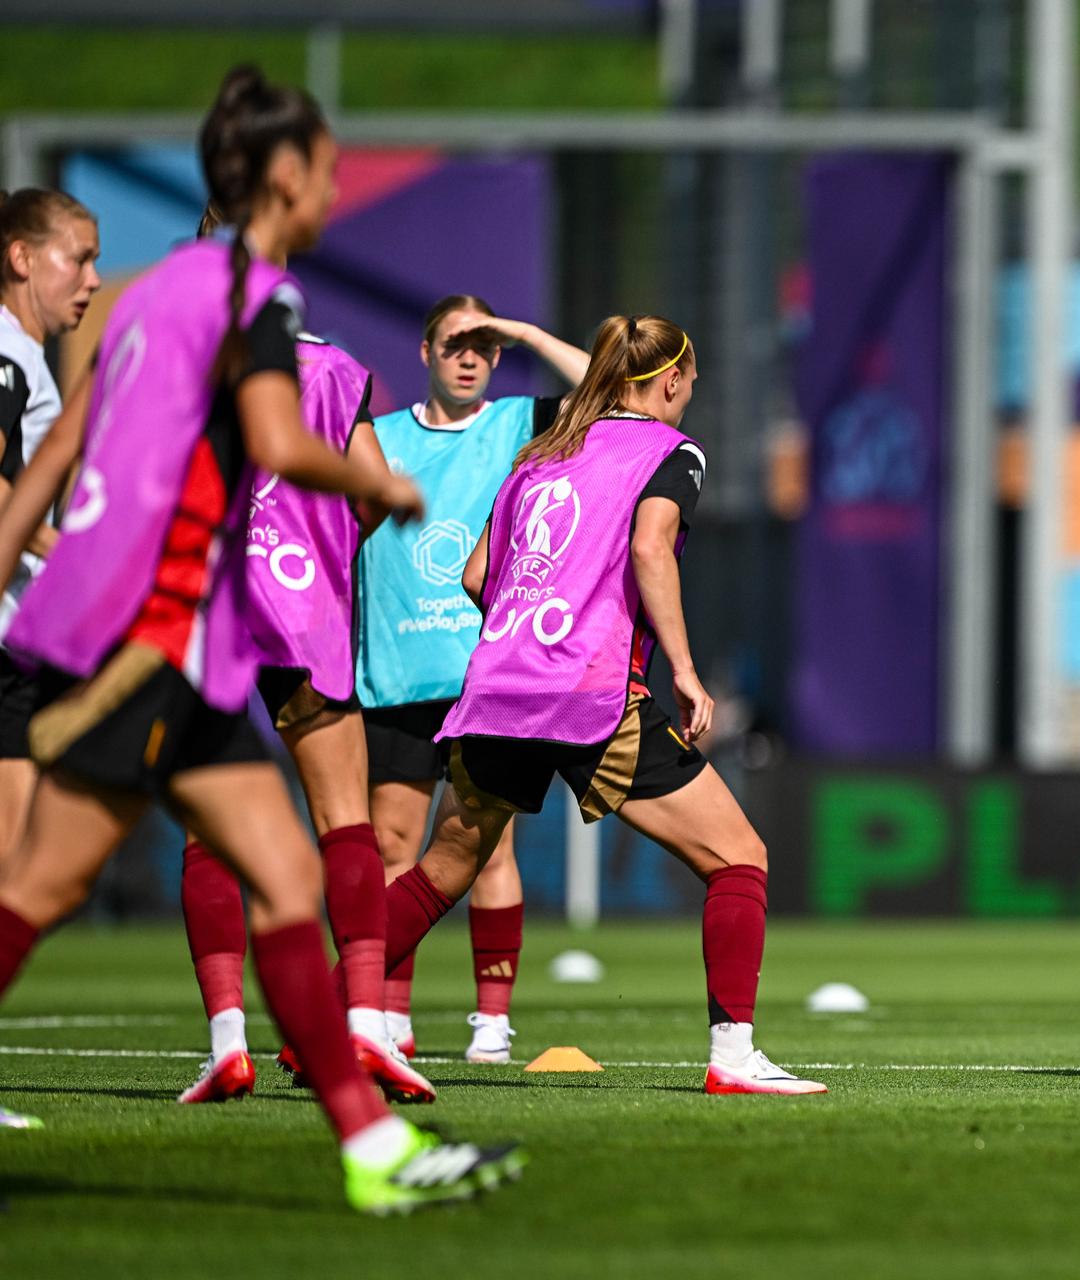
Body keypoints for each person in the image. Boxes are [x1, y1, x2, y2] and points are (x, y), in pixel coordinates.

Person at [0, 65, 523, 1211]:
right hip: (148, 635)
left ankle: (374, 1153)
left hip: (169, 642)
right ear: (285, 178)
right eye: (330, 169)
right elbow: (282, 443)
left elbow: (53, 457)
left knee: (287, 878)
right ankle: (374, 1147)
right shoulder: (260, 296)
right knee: (38, 891)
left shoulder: (139, 294)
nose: (337, 190)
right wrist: (382, 491)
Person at [375, 314, 824, 1096]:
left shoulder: (539, 455)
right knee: (738, 858)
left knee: (440, 872)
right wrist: (683, 668)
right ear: (675, 381)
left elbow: (479, 576)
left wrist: (530, 636)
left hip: (500, 688)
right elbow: (651, 549)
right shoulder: (671, 452)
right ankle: (734, 1057)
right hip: (589, 689)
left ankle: (318, 1015)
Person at [173, 200, 431, 1106]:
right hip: (307, 609)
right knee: (343, 821)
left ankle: (228, 1041)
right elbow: (364, 490)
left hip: (208, 602)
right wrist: (319, 549)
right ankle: (363, 1025)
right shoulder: (339, 369)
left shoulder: (183, 353)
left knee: (211, 825)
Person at [356, 294, 587, 1063]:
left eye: (485, 346)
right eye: (455, 341)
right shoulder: (375, 439)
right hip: (394, 674)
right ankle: (388, 1020)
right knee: (393, 843)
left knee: (487, 848)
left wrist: (523, 330)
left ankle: (492, 1024)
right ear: (424, 351)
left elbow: (613, 394)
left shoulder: (517, 424)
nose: (469, 355)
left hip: (485, 679)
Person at [0, 189, 101, 860]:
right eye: (80, 259)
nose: (92, 279)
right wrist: (57, 550)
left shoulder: (28, 357)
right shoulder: (7, 353)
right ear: (22, 258)